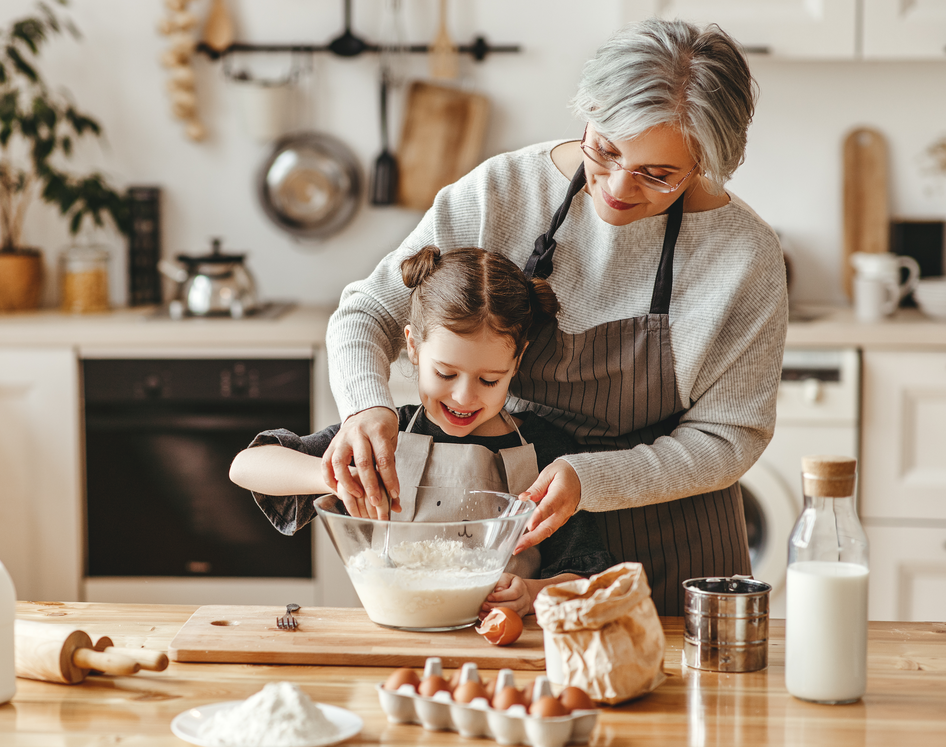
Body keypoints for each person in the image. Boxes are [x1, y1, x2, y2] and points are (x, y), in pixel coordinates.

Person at [319, 18, 789, 616]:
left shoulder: (744, 256)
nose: (618, 186)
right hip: (515, 550)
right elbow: (369, 310)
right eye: (606, 149)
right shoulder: (502, 193)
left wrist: (588, 477)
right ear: (587, 112)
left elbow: (730, 438)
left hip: (677, 545)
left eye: (659, 174)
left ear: (710, 164)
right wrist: (366, 405)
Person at [230, 246, 615, 618]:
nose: (464, 397)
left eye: (489, 379)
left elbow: (588, 576)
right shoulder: (382, 439)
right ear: (412, 347)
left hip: (507, 649)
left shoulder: (545, 450)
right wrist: (334, 476)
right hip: (397, 637)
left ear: (518, 361)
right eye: (445, 373)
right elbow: (246, 466)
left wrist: (531, 594)